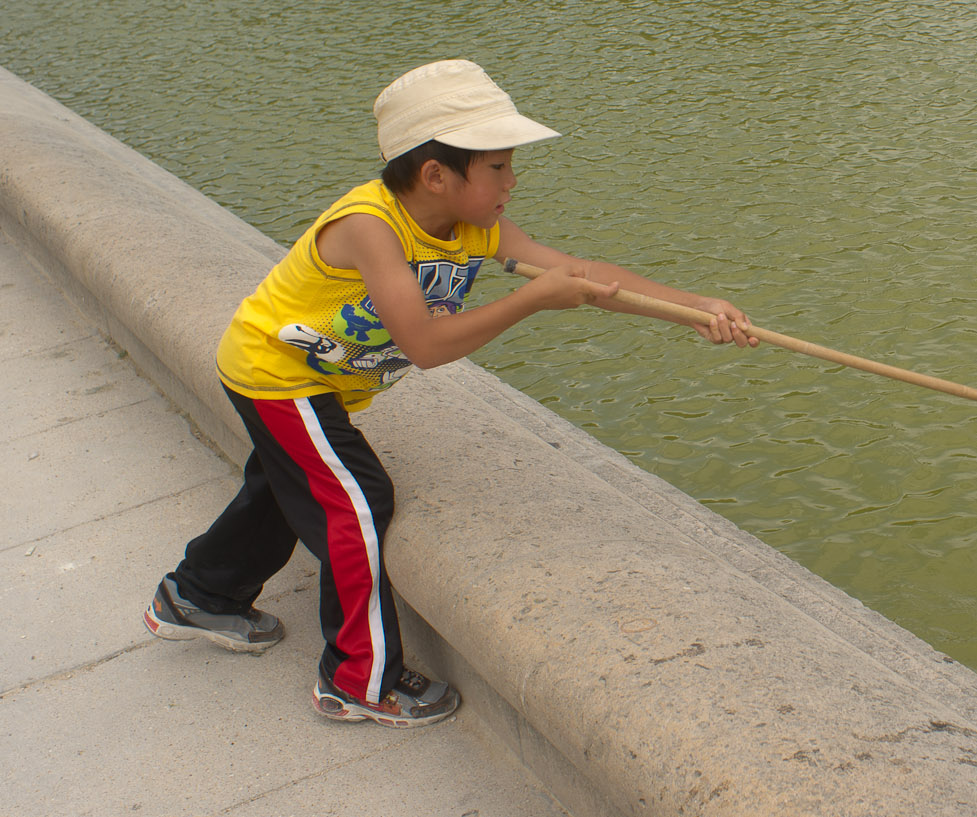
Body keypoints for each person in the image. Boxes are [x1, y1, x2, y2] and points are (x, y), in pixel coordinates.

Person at [144, 59, 756, 728]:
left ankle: (198, 593)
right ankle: (357, 678)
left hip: (320, 377)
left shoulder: (472, 229)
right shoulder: (369, 228)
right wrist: (530, 302)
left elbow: (582, 275)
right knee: (360, 500)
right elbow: (427, 346)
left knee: (288, 489)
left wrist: (696, 308)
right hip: (279, 374)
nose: (512, 181)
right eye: (497, 167)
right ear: (436, 174)